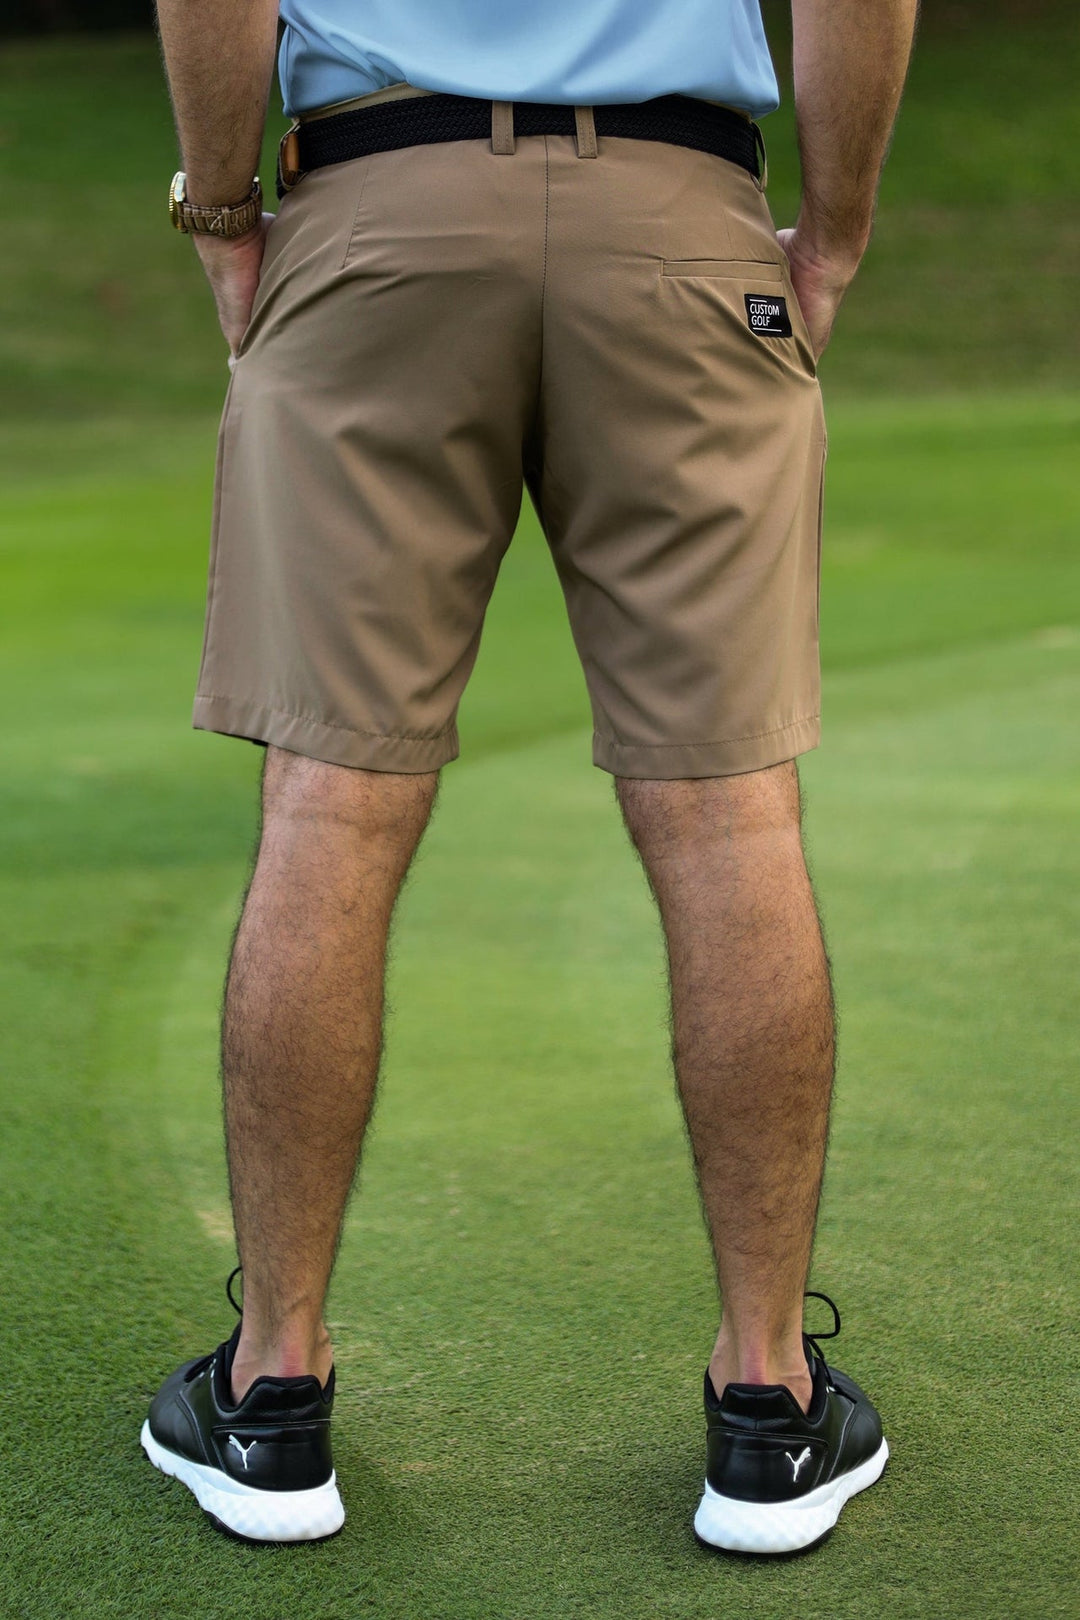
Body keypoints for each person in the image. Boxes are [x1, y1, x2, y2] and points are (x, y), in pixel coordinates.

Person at [142, 0, 917, 1554]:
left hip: (377, 217)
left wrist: (225, 209)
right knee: (726, 811)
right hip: (681, 228)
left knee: (331, 804)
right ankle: (766, 1408)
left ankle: (274, 1396)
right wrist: (832, 230)